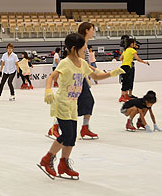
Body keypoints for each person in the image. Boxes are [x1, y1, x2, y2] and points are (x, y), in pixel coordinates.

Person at [39, 33, 124, 179]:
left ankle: (63, 164)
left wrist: (112, 73)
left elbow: (96, 76)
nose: (85, 51)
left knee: (71, 138)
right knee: (67, 134)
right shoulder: (65, 63)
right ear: (74, 48)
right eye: (83, 49)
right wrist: (48, 89)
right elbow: (51, 77)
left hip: (73, 104)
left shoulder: (82, 63)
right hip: (62, 103)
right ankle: (47, 159)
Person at [77, 22, 99, 139]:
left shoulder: (84, 43)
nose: (93, 32)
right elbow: (80, 62)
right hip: (78, 77)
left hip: (81, 76)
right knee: (82, 102)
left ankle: (85, 128)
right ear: (86, 30)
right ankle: (55, 126)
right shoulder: (82, 44)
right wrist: (94, 70)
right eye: (92, 29)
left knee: (79, 103)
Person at [118, 38, 149, 102]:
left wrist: (126, 58)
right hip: (127, 67)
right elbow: (137, 59)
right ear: (131, 44)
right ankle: (122, 97)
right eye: (134, 43)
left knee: (126, 81)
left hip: (123, 67)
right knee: (126, 82)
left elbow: (120, 58)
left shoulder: (125, 50)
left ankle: (126, 96)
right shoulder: (132, 50)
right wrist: (145, 62)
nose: (135, 45)